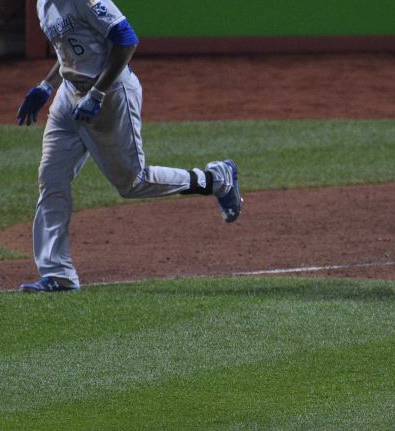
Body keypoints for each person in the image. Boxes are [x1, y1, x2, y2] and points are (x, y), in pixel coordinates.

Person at [16, 0, 242, 292]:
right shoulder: (43, 3)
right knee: (51, 178)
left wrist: (97, 93)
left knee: (133, 182)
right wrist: (47, 85)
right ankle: (58, 273)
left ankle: (216, 179)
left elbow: (126, 39)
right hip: (68, 95)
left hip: (110, 94)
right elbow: (71, 49)